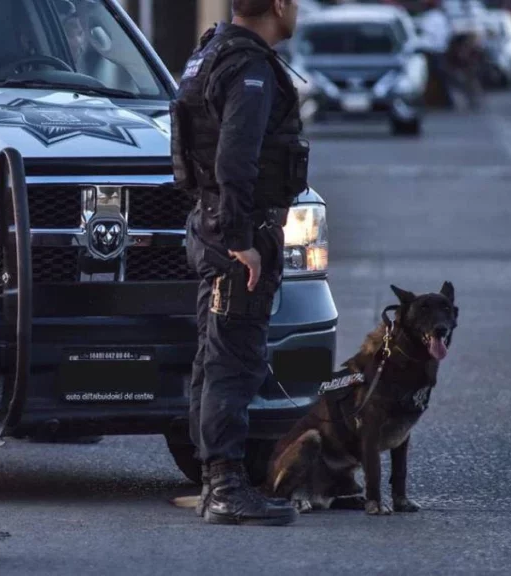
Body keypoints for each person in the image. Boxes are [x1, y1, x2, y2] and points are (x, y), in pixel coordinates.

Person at [172, 0, 308, 526]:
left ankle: (216, 483)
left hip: (208, 224)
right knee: (233, 361)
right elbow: (234, 158)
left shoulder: (210, 53)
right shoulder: (249, 66)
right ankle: (226, 487)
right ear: (277, 5)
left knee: (214, 357)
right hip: (233, 238)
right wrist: (243, 241)